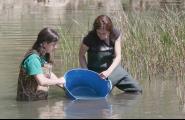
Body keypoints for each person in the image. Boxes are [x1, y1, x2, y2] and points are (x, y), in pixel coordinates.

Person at [79, 15, 142, 93]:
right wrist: (86, 72)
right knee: (101, 95)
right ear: (95, 30)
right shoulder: (89, 38)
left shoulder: (115, 34)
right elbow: (81, 55)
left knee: (137, 90)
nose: (102, 36)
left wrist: (108, 72)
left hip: (113, 69)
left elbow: (118, 56)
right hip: (96, 72)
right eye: (99, 33)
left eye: (104, 33)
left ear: (109, 30)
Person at [16, 27, 65, 101]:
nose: (56, 47)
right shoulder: (33, 59)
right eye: (53, 44)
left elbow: (49, 74)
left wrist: (65, 87)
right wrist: (59, 81)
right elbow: (41, 81)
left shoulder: (43, 55)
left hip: (38, 100)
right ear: (45, 44)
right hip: (29, 104)